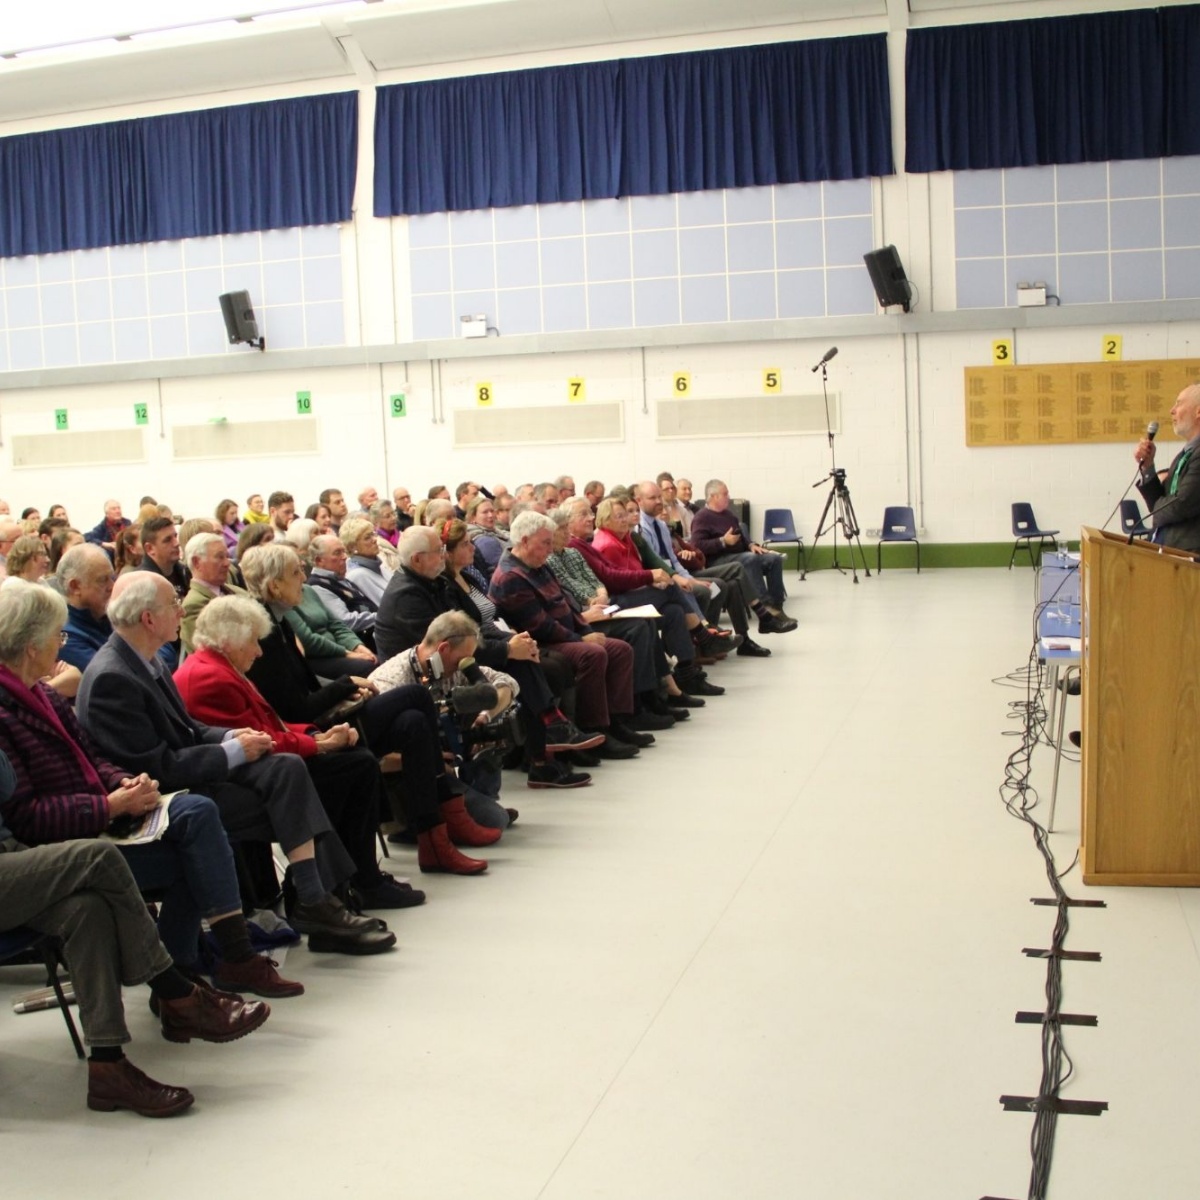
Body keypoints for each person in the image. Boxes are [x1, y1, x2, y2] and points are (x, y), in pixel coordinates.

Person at [0, 582, 301, 998]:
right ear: (32, 646)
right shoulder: (18, 707)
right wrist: (107, 805)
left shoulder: (44, 695)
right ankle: (199, 975)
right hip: (66, 844)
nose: (62, 646)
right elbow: (27, 817)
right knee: (200, 839)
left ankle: (204, 971)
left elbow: (91, 757)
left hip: (98, 815)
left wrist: (118, 781)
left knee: (202, 816)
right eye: (58, 636)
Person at [74, 573, 394, 955]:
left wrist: (230, 736)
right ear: (148, 619)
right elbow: (158, 768)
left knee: (288, 770)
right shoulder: (114, 676)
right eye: (174, 605)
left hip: (190, 777)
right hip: (162, 802)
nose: (182, 612)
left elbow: (189, 729)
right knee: (308, 796)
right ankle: (319, 900)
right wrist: (233, 751)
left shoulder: (143, 661)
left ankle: (317, 899)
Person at [0, 771, 269, 1117]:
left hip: (11, 854)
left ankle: (108, 1066)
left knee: (88, 909)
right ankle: (176, 992)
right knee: (100, 857)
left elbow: (6, 786)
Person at [238, 544, 493, 874]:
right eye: (296, 572)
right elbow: (296, 710)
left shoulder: (280, 624)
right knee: (415, 696)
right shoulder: (266, 636)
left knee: (414, 722)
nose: (304, 578)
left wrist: (344, 689)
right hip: (311, 730)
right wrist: (345, 684)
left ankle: (434, 839)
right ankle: (443, 818)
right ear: (274, 585)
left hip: (321, 716)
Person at [175, 596, 421, 910]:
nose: (259, 651)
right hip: (249, 777)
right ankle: (354, 880)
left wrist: (315, 735)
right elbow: (259, 742)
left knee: (357, 759)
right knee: (357, 766)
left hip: (264, 763)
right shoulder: (211, 678)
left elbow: (269, 726)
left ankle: (352, 878)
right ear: (228, 641)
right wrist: (319, 745)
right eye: (253, 642)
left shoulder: (219, 667)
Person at [489, 511, 644, 757]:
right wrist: (580, 639)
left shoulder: (538, 564)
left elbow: (567, 604)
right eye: (545, 543)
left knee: (620, 649)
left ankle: (615, 721)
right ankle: (593, 728)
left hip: (564, 635)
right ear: (525, 541)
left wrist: (585, 629)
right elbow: (540, 626)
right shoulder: (511, 576)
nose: (550, 549)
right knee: (592, 654)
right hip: (541, 643)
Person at [636, 481, 769, 658]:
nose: (659, 502)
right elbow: (657, 563)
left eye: (659, 497)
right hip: (672, 577)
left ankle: (726, 638)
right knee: (708, 588)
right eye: (653, 498)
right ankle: (705, 636)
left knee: (723, 586)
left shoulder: (661, 526)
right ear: (639, 501)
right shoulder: (641, 529)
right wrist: (721, 543)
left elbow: (673, 560)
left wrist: (688, 577)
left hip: (685, 572)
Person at [689, 480, 797, 634]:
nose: (728, 497)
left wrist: (751, 545)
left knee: (773, 559)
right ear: (713, 496)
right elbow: (697, 545)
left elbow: (741, 536)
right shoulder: (702, 517)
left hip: (738, 555)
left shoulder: (728, 514)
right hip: (717, 560)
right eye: (725, 494)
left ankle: (777, 607)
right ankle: (766, 608)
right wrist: (722, 541)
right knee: (749, 559)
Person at [1134, 383, 1200, 551]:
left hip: (1188, 556)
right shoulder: (1184, 455)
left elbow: (1181, 504)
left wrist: (1157, 511)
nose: (1172, 410)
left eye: (1179, 403)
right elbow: (1161, 504)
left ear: (1198, 411)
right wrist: (1148, 467)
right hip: (1166, 551)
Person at [181, 533, 247, 654]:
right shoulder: (193, 605)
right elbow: (211, 653)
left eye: (227, 556)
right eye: (220, 557)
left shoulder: (239, 592)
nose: (227, 563)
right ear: (196, 562)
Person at [307, 534, 378, 642]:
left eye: (344, 551)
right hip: (364, 640)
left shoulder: (338, 578)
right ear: (319, 560)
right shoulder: (318, 586)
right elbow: (345, 621)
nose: (345, 557)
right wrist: (381, 617)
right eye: (337, 553)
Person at [341, 516, 392, 606]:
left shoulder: (378, 565)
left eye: (373, 534)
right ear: (352, 547)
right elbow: (387, 605)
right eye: (367, 538)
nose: (375, 539)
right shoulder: (357, 575)